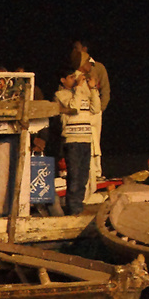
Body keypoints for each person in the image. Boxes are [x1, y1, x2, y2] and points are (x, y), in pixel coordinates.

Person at [54, 68, 101, 214]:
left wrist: (93, 89)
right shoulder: (61, 94)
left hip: (86, 138)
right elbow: (73, 108)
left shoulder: (82, 92)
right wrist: (80, 87)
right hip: (72, 140)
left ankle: (78, 206)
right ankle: (73, 209)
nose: (75, 79)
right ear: (63, 80)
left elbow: (96, 108)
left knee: (83, 176)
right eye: (71, 77)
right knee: (74, 176)